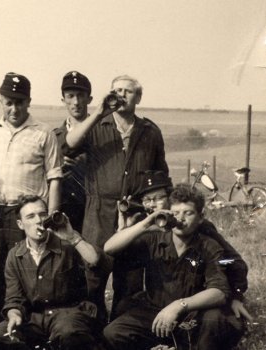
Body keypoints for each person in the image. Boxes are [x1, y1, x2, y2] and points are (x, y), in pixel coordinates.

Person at [65, 74, 168, 320]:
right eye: (117, 90)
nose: (122, 95)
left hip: (134, 216)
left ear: (138, 97)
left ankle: (119, 336)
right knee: (93, 278)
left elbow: (162, 176)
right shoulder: (95, 126)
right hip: (98, 215)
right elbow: (69, 144)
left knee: (130, 283)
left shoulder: (150, 132)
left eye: (128, 91)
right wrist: (99, 112)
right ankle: (92, 337)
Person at [0, 72, 63, 330]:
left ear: (28, 101)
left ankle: (30, 331)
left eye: (19, 102)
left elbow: (55, 177)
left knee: (28, 272)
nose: (14, 108)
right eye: (8, 102)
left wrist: (51, 216)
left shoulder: (43, 133)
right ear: (0, 100)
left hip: (26, 217)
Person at [103, 184, 242, 350]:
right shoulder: (154, 240)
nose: (181, 219)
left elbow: (219, 292)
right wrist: (146, 223)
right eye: (175, 213)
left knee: (215, 320)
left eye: (188, 213)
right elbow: (109, 248)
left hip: (193, 315)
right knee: (114, 333)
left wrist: (178, 305)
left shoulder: (208, 246)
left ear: (201, 217)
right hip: (155, 313)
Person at [0, 195, 106, 350]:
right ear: (20, 224)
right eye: (31, 216)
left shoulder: (67, 243)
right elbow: (14, 298)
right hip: (34, 317)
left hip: (68, 313)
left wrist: (72, 238)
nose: (39, 220)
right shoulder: (15, 255)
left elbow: (95, 261)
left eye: (43, 214)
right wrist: (14, 314)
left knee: (68, 333)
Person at [53, 71, 92, 232]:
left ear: (89, 99)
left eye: (81, 95)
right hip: (64, 211)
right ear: (63, 100)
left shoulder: (103, 132)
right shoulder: (54, 137)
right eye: (70, 96)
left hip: (92, 212)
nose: (76, 102)